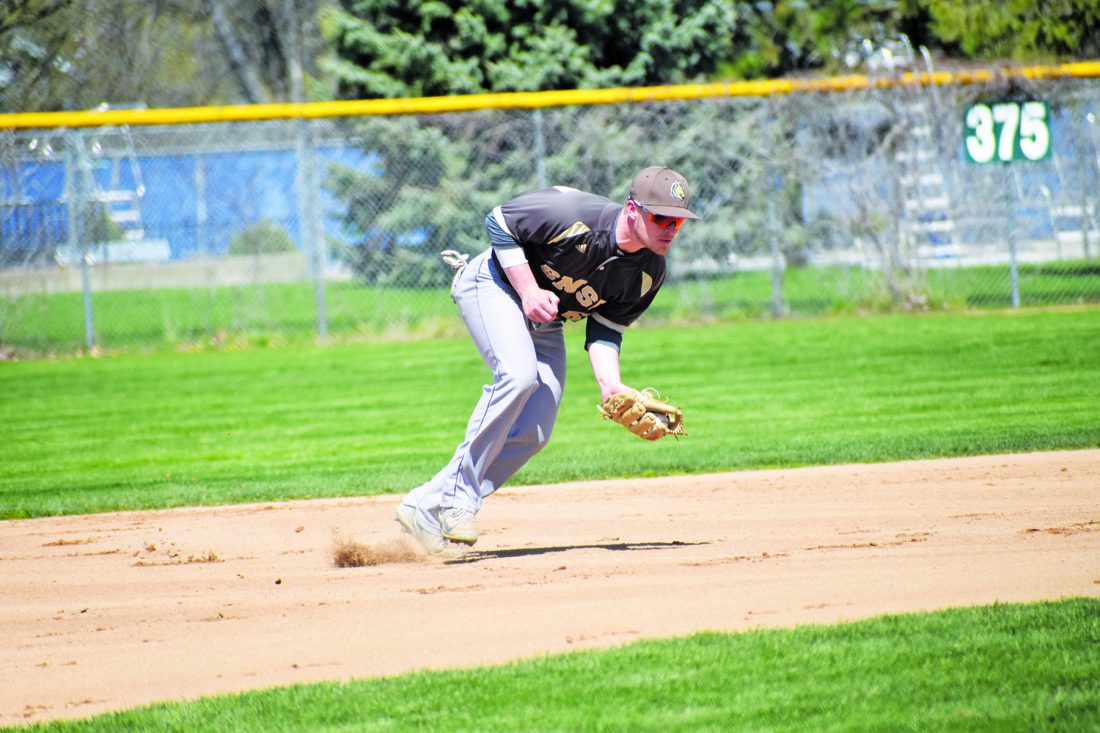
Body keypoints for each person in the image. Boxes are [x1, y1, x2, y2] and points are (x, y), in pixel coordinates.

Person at [395, 166, 701, 556]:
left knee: (535, 429)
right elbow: (499, 220)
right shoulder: (573, 212)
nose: (670, 228)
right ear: (632, 209)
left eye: (678, 221)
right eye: (660, 217)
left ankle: (423, 506)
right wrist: (528, 290)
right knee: (518, 377)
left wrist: (611, 386)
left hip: (546, 319)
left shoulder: (648, 272)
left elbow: (606, 331)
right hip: (495, 284)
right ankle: (459, 500)